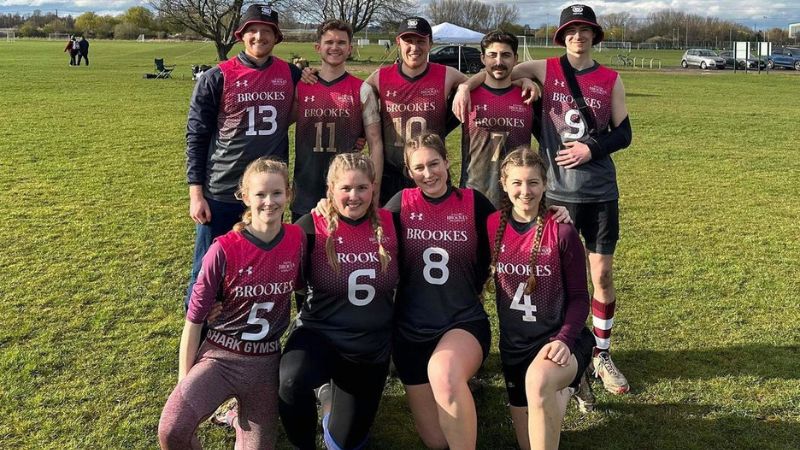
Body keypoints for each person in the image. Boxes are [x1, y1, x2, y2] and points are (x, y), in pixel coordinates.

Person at [454, 4, 633, 394]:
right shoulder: (544, 69)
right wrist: (467, 86)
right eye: (571, 30)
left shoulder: (611, 78)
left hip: (600, 191)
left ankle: (601, 353)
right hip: (557, 194)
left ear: (594, 35)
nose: (578, 36)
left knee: (601, 275)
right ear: (562, 36)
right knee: (553, 278)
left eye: (584, 30)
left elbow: (624, 133)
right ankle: (558, 350)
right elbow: (498, 72)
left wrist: (592, 148)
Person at [158, 158, 304, 450]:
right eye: (260, 194)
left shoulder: (297, 238)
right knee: (173, 430)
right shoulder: (224, 248)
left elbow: (303, 283)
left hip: (265, 362)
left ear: (288, 194)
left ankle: (236, 417)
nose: (269, 201)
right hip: (220, 355)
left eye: (277, 193)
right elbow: (194, 320)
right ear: (246, 197)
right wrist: (183, 382)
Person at [184, 3, 302, 309]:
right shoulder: (217, 77)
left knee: (256, 268)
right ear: (241, 35)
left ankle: (243, 327)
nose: (259, 37)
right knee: (207, 271)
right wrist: (196, 193)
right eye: (253, 31)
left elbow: (317, 105)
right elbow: (196, 136)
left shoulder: (292, 74)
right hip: (223, 189)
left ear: (277, 37)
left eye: (267, 31)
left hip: (268, 194)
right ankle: (197, 331)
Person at [278, 153, 399, 450]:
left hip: (369, 348)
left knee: (341, 445)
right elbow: (272, 267)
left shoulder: (394, 222)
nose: (354, 196)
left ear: (373, 187)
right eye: (345, 188)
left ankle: (328, 399)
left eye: (361, 188)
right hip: (319, 335)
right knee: (291, 382)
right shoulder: (310, 226)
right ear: (330, 189)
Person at [383, 132, 493, 449]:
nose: (428, 173)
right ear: (409, 171)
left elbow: (512, 229)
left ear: (446, 161)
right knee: (437, 441)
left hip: (462, 321)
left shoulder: (473, 202)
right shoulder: (400, 204)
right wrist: (327, 208)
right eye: (419, 167)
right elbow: (361, 227)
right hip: (411, 331)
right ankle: (457, 390)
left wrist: (551, 215)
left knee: (443, 373)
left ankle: (454, 383)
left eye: (434, 164)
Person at [487, 147, 594, 450]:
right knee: (529, 440)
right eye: (517, 183)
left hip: (557, 341)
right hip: (514, 346)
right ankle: (568, 388)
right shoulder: (492, 224)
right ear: (504, 184)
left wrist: (565, 339)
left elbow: (579, 298)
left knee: (538, 383)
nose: (525, 191)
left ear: (545, 184)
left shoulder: (562, 231)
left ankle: (566, 378)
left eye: (533, 182)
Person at [364, 17, 469, 205]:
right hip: (391, 174)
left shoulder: (446, 75)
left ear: (430, 44)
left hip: (431, 173)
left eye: (421, 41)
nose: (414, 47)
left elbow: (481, 82)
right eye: (409, 41)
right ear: (398, 42)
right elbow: (354, 97)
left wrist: (464, 87)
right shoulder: (380, 77)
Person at [291, 19, 383, 222]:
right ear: (318, 47)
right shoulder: (301, 86)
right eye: (329, 42)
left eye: (341, 42)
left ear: (350, 48)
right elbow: (282, 123)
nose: (335, 47)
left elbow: (375, 142)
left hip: (349, 191)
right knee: (304, 241)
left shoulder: (362, 89)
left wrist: (374, 187)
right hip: (306, 187)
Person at [460, 31, 535, 207]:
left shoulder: (529, 97)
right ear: (482, 58)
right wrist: (463, 87)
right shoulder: (466, 97)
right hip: (474, 193)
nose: (499, 62)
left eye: (506, 55)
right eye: (492, 55)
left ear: (516, 59)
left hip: (518, 197)